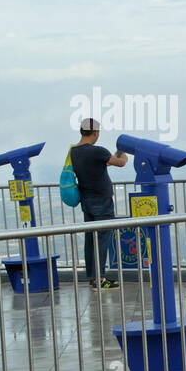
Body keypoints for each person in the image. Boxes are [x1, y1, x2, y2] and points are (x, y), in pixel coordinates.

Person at [71, 118, 128, 289]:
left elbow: (98, 166)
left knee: (91, 239)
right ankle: (100, 277)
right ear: (95, 132)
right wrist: (123, 151)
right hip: (101, 201)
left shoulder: (74, 151)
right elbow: (120, 162)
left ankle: (93, 276)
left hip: (86, 200)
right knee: (103, 238)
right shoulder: (98, 151)